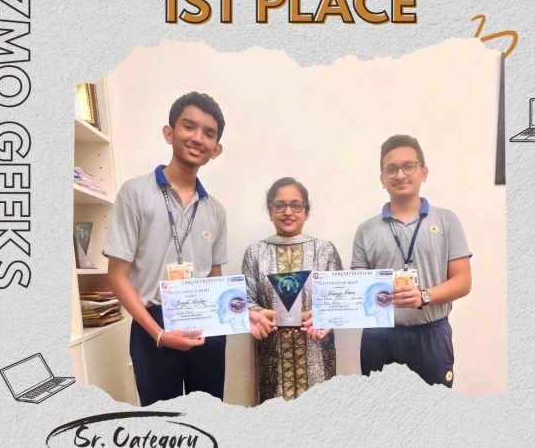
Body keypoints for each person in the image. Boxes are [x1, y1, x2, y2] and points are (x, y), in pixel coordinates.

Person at [104, 91, 233, 406]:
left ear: (216, 149)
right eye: (189, 126)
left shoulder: (215, 209)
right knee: (161, 421)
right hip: (153, 325)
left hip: (205, 325)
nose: (197, 138)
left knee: (209, 416)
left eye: (209, 133)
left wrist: (237, 314)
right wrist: (158, 333)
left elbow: (215, 276)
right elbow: (117, 275)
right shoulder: (135, 193)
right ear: (169, 132)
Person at [351, 134, 472, 387]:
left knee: (432, 409)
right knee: (378, 408)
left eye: (409, 166)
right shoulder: (365, 230)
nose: (400, 174)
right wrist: (324, 311)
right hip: (379, 338)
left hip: (431, 334)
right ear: (382, 178)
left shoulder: (447, 221)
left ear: (424, 172)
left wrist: (424, 296)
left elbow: (463, 281)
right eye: (391, 169)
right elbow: (358, 290)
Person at [242, 177, 343, 402]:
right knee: (276, 416)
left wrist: (319, 316)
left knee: (319, 413)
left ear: (306, 211)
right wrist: (274, 316)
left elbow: (340, 301)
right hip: (273, 354)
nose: (288, 212)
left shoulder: (325, 250)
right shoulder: (255, 253)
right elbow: (245, 302)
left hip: (317, 351)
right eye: (280, 205)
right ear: (270, 211)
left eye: (296, 205)